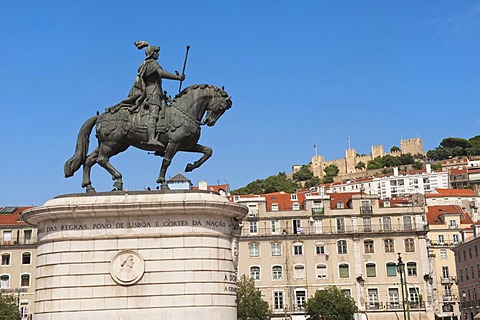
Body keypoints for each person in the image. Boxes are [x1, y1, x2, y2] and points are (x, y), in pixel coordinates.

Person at [129, 41, 185, 147]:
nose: (158, 54)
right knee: (154, 114)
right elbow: (161, 73)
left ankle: (162, 139)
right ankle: (151, 139)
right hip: (152, 93)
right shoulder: (152, 64)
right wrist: (177, 78)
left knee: (164, 114)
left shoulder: (147, 64)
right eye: (156, 52)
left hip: (157, 92)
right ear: (151, 53)